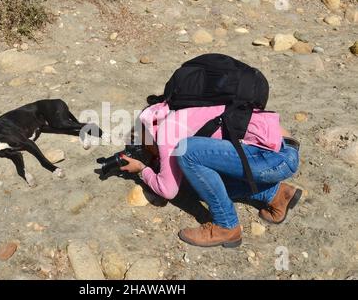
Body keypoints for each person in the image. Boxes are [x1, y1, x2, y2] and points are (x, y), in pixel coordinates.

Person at [119, 101, 301, 248]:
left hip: (274, 158)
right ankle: (276, 193)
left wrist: (143, 169)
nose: (150, 150)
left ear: (149, 130)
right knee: (201, 181)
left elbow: (168, 191)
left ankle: (226, 225)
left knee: (187, 152)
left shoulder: (166, 131)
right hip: (285, 148)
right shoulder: (183, 108)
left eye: (145, 145)